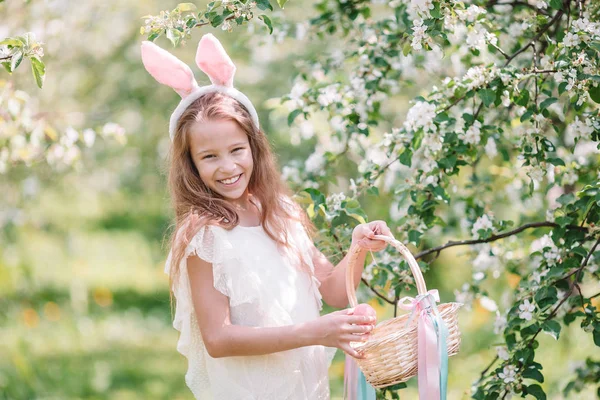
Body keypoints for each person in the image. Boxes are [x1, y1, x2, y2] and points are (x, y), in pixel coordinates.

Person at [141, 33, 393, 400]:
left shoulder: (280, 214)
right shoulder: (205, 237)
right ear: (191, 165)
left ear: (254, 148)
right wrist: (315, 332)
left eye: (236, 150)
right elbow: (218, 338)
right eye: (209, 156)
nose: (227, 166)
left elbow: (335, 290)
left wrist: (359, 248)